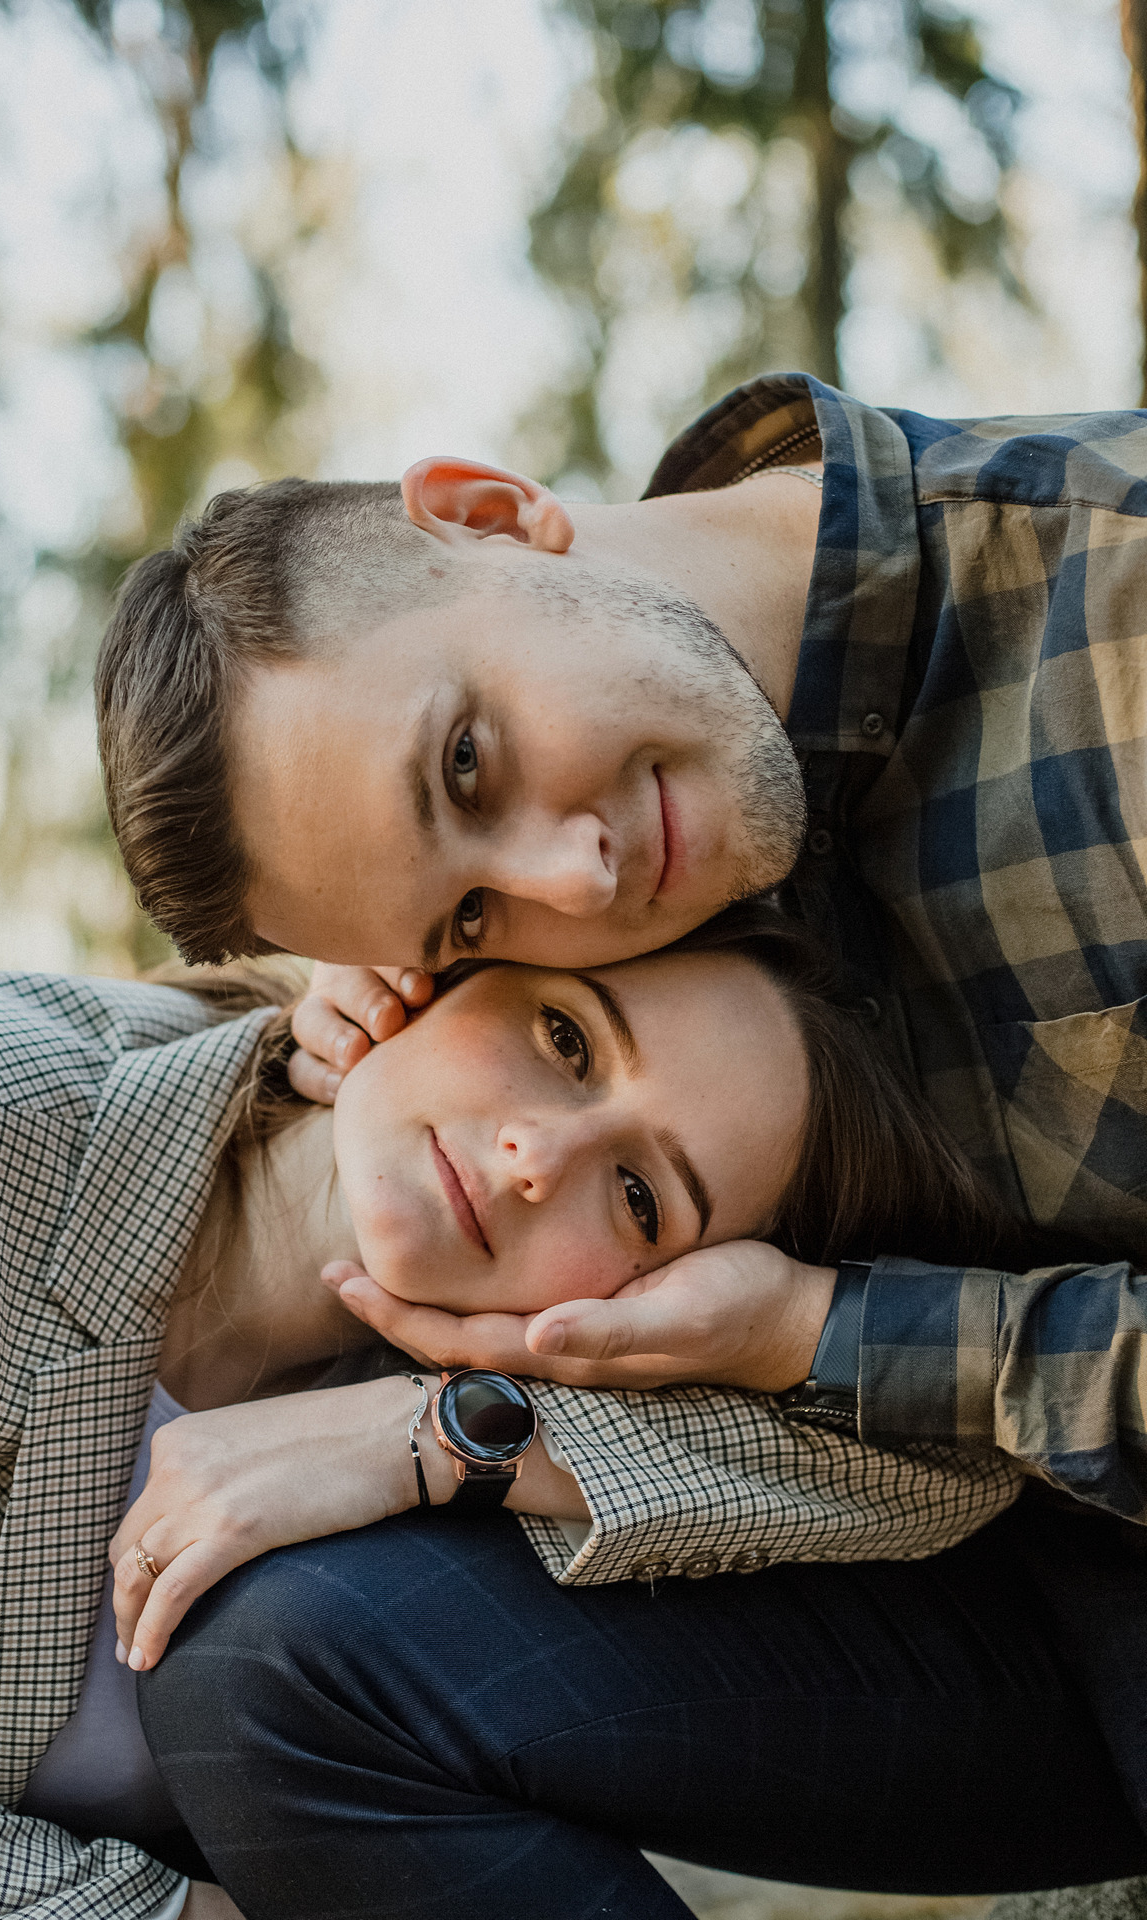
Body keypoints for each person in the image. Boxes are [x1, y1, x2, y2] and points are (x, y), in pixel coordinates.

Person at [95, 370, 1147, 1904]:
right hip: (980, 1591)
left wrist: (814, 1327)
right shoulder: (669, 755)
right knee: (276, 1662)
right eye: (466, 916)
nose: (579, 881)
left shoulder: (1107, 646)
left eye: (467, 759)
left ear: (492, 515)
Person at [0, 916, 1022, 1920]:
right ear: (437, 968)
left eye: (637, 1197)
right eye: (564, 1038)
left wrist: (430, 1432)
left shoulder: (552, 1354)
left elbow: (950, 1465)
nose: (536, 1153)